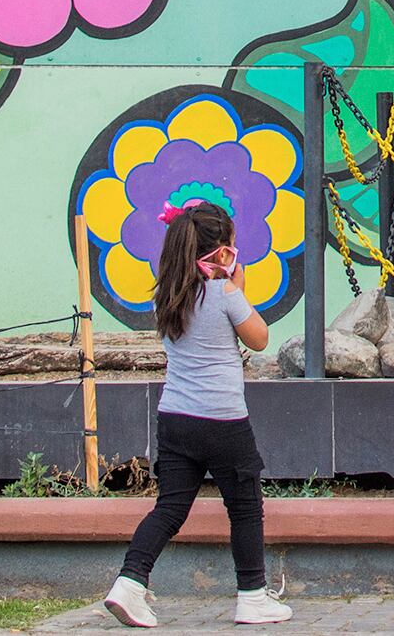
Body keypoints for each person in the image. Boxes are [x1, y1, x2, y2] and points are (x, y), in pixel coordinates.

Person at [105, 202, 290, 628]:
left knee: (169, 508)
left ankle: (129, 583)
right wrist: (239, 290)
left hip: (175, 419)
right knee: (245, 508)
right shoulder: (225, 295)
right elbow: (260, 339)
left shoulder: (165, 299)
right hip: (223, 421)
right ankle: (252, 596)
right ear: (220, 253)